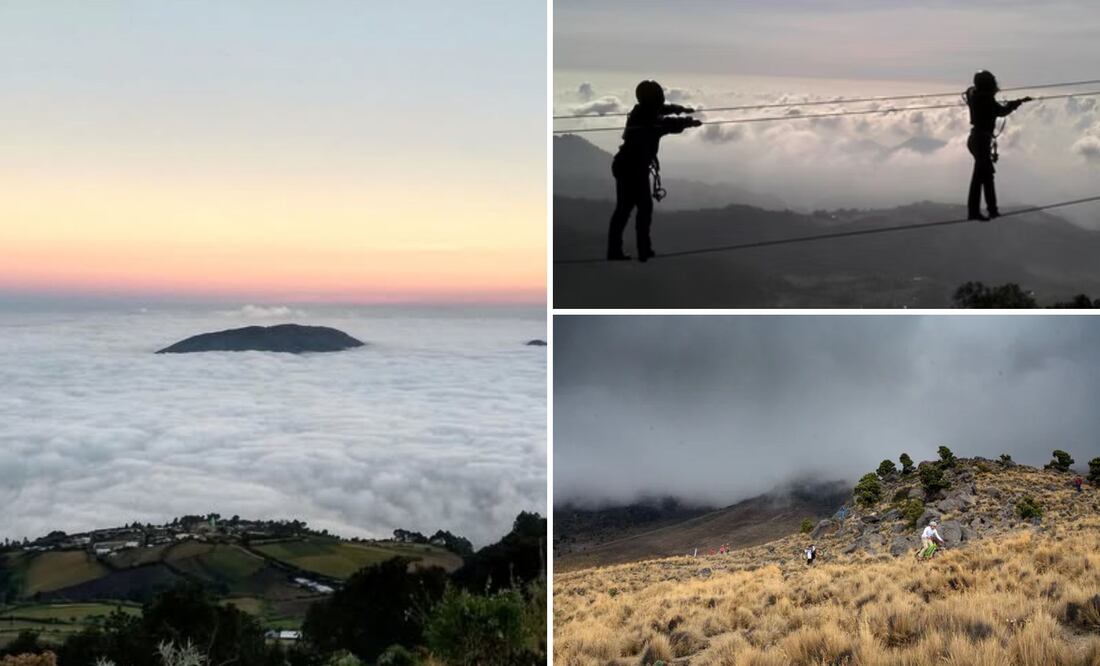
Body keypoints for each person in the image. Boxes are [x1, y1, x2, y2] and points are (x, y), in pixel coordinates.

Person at [607, 80, 701, 262]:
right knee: (638, 209)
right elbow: (666, 124)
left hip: (627, 167)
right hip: (632, 169)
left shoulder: (641, 112)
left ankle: (626, 250)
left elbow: (663, 111)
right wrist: (688, 122)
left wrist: (680, 109)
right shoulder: (648, 121)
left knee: (627, 210)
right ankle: (640, 250)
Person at [964, 70, 1032, 221]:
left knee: (985, 176)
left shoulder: (975, 95)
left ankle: (989, 210)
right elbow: (1002, 111)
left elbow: (971, 90)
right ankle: (977, 211)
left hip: (977, 139)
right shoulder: (985, 98)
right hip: (981, 141)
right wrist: (1017, 103)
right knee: (982, 177)